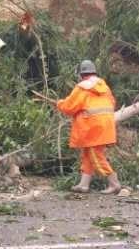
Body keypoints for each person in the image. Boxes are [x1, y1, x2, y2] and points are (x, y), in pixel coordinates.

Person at [56, 60, 121, 195]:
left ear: (81, 74)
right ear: (94, 73)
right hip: (106, 125)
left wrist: (59, 104)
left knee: (95, 155)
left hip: (92, 127)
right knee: (88, 154)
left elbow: (69, 106)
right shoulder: (104, 86)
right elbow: (112, 102)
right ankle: (84, 184)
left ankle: (114, 184)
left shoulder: (82, 87)